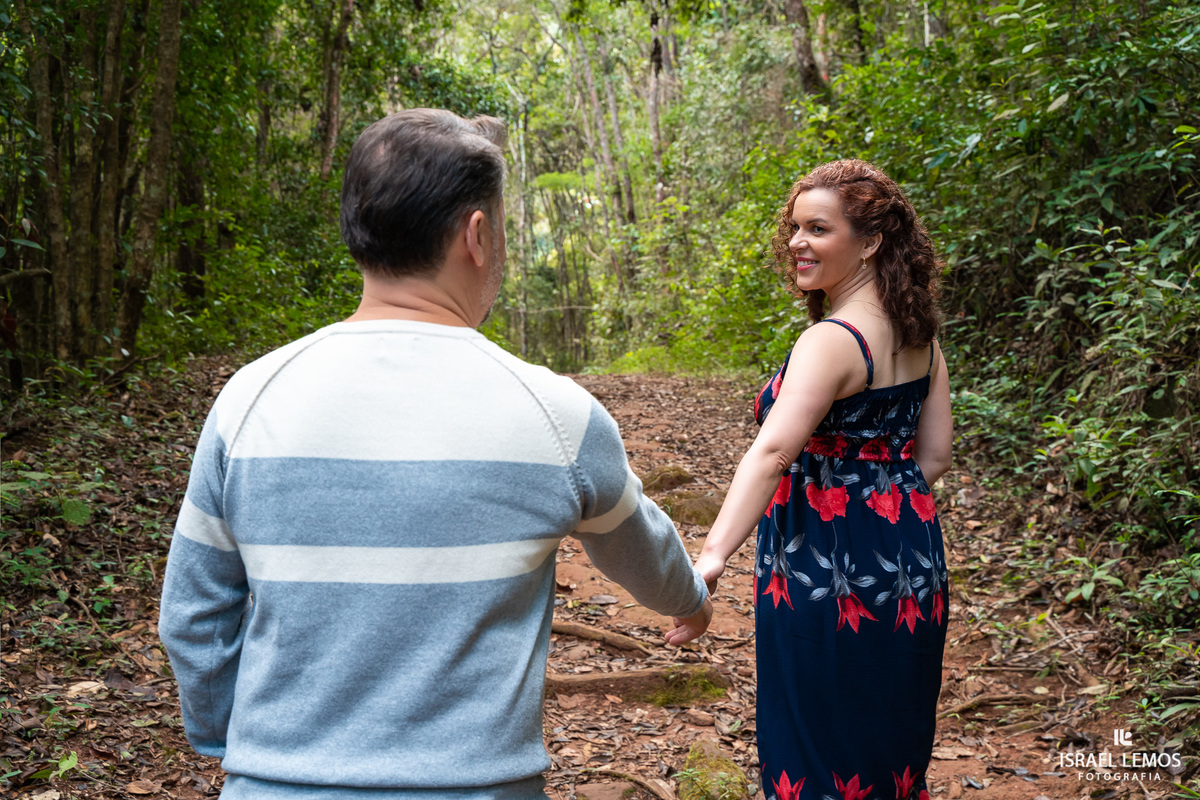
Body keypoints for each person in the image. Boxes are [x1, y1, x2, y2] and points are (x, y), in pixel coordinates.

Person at [158, 108, 712, 800]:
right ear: (477, 235)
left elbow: (194, 614)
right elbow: (640, 549)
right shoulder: (554, 413)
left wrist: (232, 739)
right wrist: (689, 600)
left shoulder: (250, 399)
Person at [694, 160, 952, 800]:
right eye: (794, 228)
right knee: (889, 749)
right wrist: (878, 509)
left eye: (818, 229)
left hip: (821, 572)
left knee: (817, 753)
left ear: (871, 243)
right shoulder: (920, 335)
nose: (796, 243)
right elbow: (936, 455)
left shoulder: (832, 340)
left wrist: (712, 554)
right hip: (910, 563)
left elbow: (772, 451)